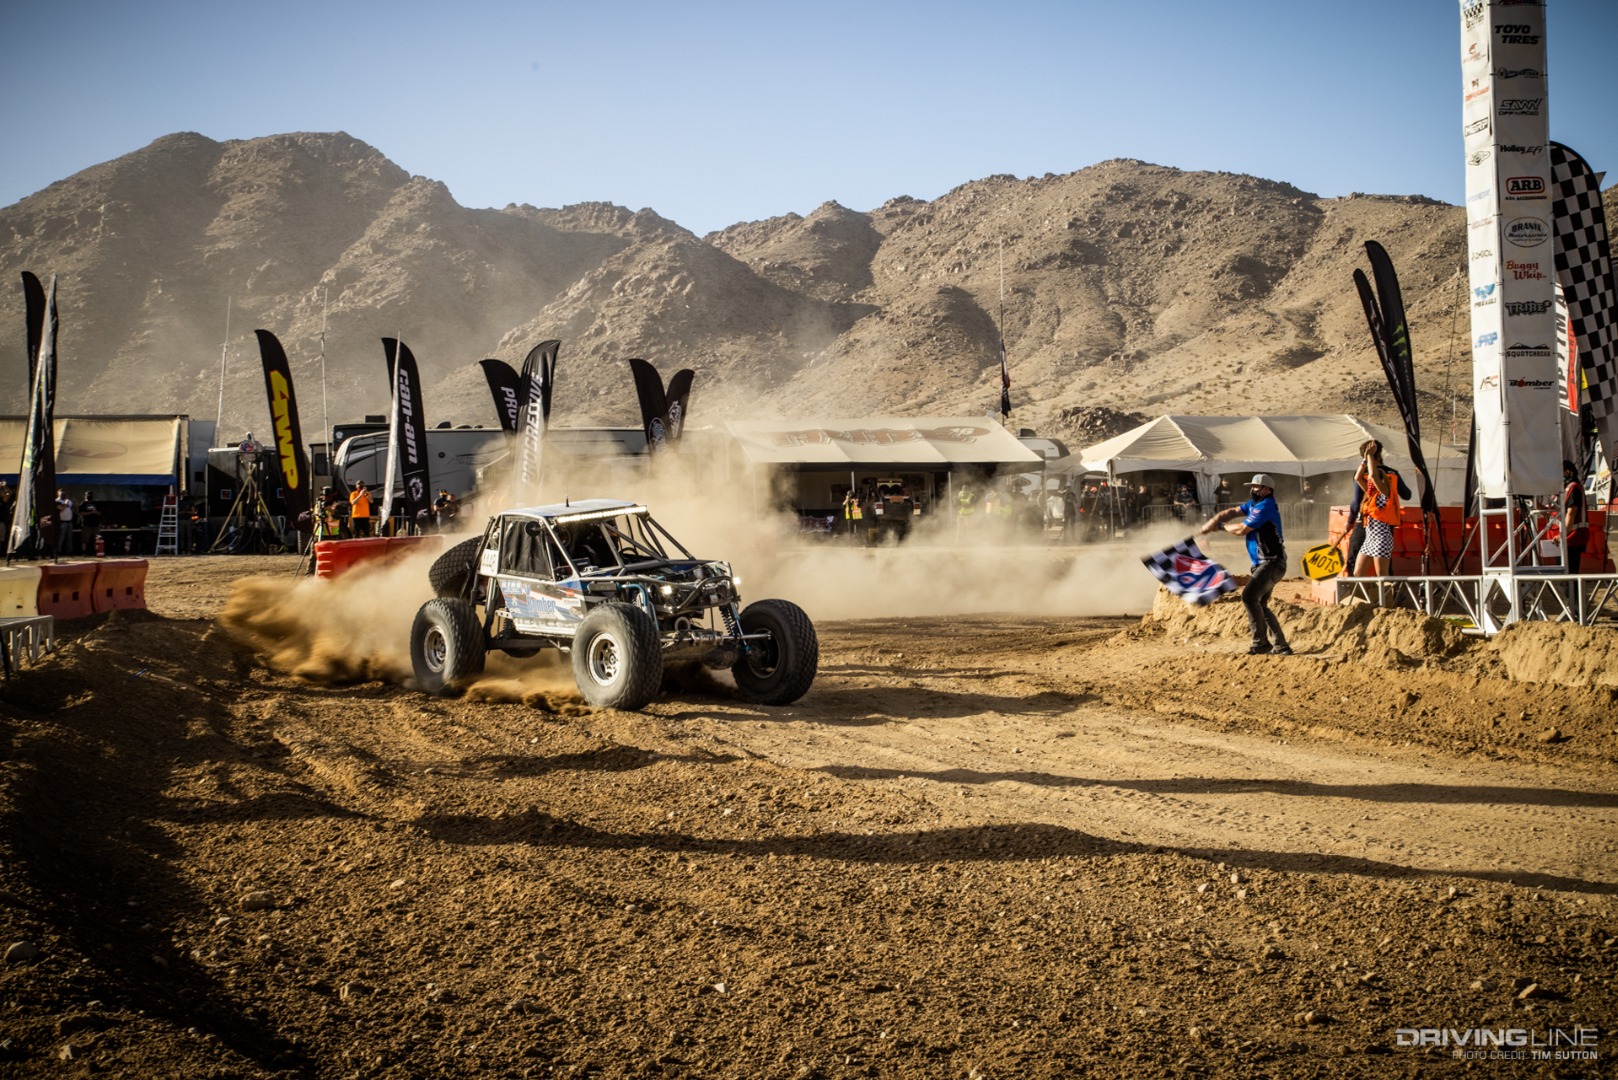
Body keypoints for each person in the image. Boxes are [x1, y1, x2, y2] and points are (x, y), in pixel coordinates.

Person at [1200, 473, 1292, 656]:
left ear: (1267, 489)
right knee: (1260, 604)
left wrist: (1220, 527)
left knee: (1249, 597)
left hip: (1272, 562)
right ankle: (1280, 646)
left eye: (1256, 487)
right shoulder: (1255, 504)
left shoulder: (1265, 506)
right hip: (1265, 563)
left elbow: (1242, 529)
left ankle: (1261, 644)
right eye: (1252, 486)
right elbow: (1232, 511)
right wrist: (1214, 519)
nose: (1253, 489)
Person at [1350, 440, 1405, 578]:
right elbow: (1357, 477)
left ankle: (1386, 599)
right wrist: (1365, 458)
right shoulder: (1371, 495)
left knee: (1382, 575)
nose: (1369, 481)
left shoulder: (1385, 493)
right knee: (1358, 573)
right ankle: (1368, 598)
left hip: (1382, 538)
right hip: (1370, 538)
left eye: (1371, 481)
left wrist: (1370, 456)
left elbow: (1374, 475)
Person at [1562, 459, 1589, 576]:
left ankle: (1573, 594)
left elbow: (1571, 513)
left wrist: (1562, 533)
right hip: (1562, 538)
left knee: (1570, 573)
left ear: (1568, 472)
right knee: (1564, 573)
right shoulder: (1562, 489)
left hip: (1572, 537)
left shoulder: (1573, 488)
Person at [55, 489, 75, 557]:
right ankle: (58, 551)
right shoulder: (57, 501)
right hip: (62, 522)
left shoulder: (69, 501)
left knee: (69, 538)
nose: (63, 495)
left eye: (64, 494)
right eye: (61, 494)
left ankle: (69, 551)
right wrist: (66, 504)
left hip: (69, 521)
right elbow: (61, 508)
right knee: (61, 538)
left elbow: (72, 508)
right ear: (58, 494)